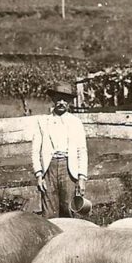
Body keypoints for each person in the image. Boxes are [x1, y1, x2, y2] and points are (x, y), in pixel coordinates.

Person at [31, 82, 88, 217]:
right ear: (53, 99)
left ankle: (69, 238)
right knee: (49, 212)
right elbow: (35, 151)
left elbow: (82, 151)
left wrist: (82, 178)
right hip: (49, 168)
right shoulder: (43, 121)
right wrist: (39, 175)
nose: (61, 102)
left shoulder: (75, 122)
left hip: (69, 168)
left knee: (69, 209)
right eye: (58, 99)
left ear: (69, 101)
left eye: (65, 99)